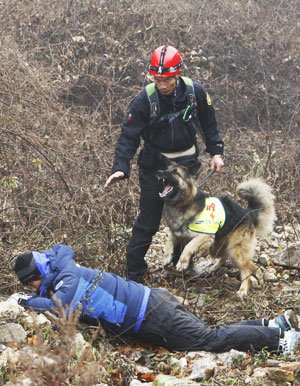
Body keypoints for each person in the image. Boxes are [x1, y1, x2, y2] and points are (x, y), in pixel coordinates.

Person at [13, 244, 300, 354]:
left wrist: (26, 302)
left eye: (32, 282)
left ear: (39, 272)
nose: (34, 287)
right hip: (153, 302)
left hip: (150, 315)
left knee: (211, 341)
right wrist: (35, 293)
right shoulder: (61, 267)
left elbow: (59, 304)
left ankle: (280, 342)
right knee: (211, 334)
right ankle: (274, 324)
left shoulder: (68, 278)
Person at [104, 45, 224, 282]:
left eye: (167, 79)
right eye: (158, 79)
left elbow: (209, 124)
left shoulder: (194, 92)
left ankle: (181, 265)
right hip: (154, 170)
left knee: (186, 218)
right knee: (148, 222)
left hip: (187, 169)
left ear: (177, 73)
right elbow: (129, 135)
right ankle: (134, 273)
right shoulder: (145, 99)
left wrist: (216, 152)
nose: (162, 84)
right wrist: (120, 167)